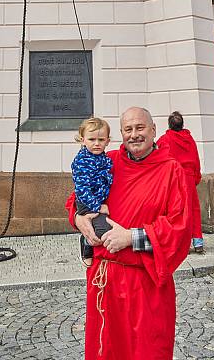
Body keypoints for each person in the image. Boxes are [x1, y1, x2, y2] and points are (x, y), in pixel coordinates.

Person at [67, 107, 191, 360]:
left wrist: (130, 237)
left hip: (145, 285)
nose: (134, 135)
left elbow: (180, 228)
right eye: (128, 129)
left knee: (147, 351)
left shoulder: (171, 170)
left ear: (153, 130)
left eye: (140, 128)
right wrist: (78, 218)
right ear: (121, 134)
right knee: (106, 351)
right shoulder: (107, 161)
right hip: (105, 282)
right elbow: (74, 199)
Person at [157, 111, 204, 253]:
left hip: (174, 177)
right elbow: (195, 159)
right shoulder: (189, 139)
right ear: (182, 124)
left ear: (169, 124)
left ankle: (182, 243)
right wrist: (196, 177)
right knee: (193, 208)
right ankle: (198, 241)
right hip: (189, 177)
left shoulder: (164, 139)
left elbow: (160, 158)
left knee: (177, 210)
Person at [71, 117, 113, 266]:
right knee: (102, 230)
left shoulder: (104, 158)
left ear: (107, 141)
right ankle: (86, 244)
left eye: (101, 140)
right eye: (92, 139)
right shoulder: (82, 161)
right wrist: (97, 207)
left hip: (98, 199)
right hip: (87, 202)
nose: (96, 143)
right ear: (83, 140)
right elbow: (82, 189)